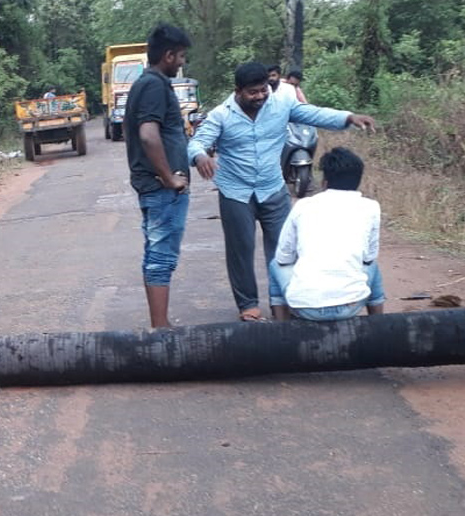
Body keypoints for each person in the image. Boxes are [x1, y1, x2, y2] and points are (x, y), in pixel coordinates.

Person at [187, 61, 377, 322]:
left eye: (264, 90)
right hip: (236, 192)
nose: (260, 97)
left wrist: (348, 118)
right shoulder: (221, 115)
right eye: (253, 92)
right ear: (238, 91)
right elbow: (197, 141)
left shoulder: (281, 105)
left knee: (284, 249)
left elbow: (314, 114)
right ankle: (248, 305)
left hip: (272, 188)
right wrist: (199, 157)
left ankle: (288, 302)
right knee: (240, 249)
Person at [124, 22, 193, 329]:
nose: (182, 63)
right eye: (180, 56)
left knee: (155, 254)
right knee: (161, 257)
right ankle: (161, 330)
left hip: (155, 187)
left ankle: (159, 325)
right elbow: (149, 135)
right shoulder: (153, 86)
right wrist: (169, 177)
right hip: (160, 189)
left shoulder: (147, 83)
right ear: (167, 55)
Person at [269, 147, 385, 321]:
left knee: (275, 265)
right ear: (358, 180)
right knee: (372, 266)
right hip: (351, 305)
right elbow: (368, 257)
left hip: (305, 307)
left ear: (325, 181)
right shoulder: (371, 207)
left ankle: (281, 331)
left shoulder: (303, 206)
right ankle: (379, 325)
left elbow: (283, 257)